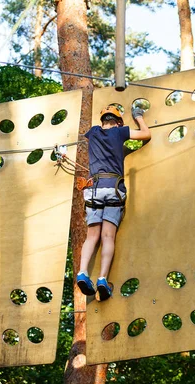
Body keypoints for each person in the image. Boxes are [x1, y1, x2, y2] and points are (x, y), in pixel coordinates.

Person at [76, 105, 151, 300]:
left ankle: (82, 272)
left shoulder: (93, 132)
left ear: (102, 121)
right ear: (118, 122)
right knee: (108, 237)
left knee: (92, 236)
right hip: (113, 188)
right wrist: (138, 116)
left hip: (93, 190)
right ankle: (102, 279)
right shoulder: (120, 131)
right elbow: (146, 134)